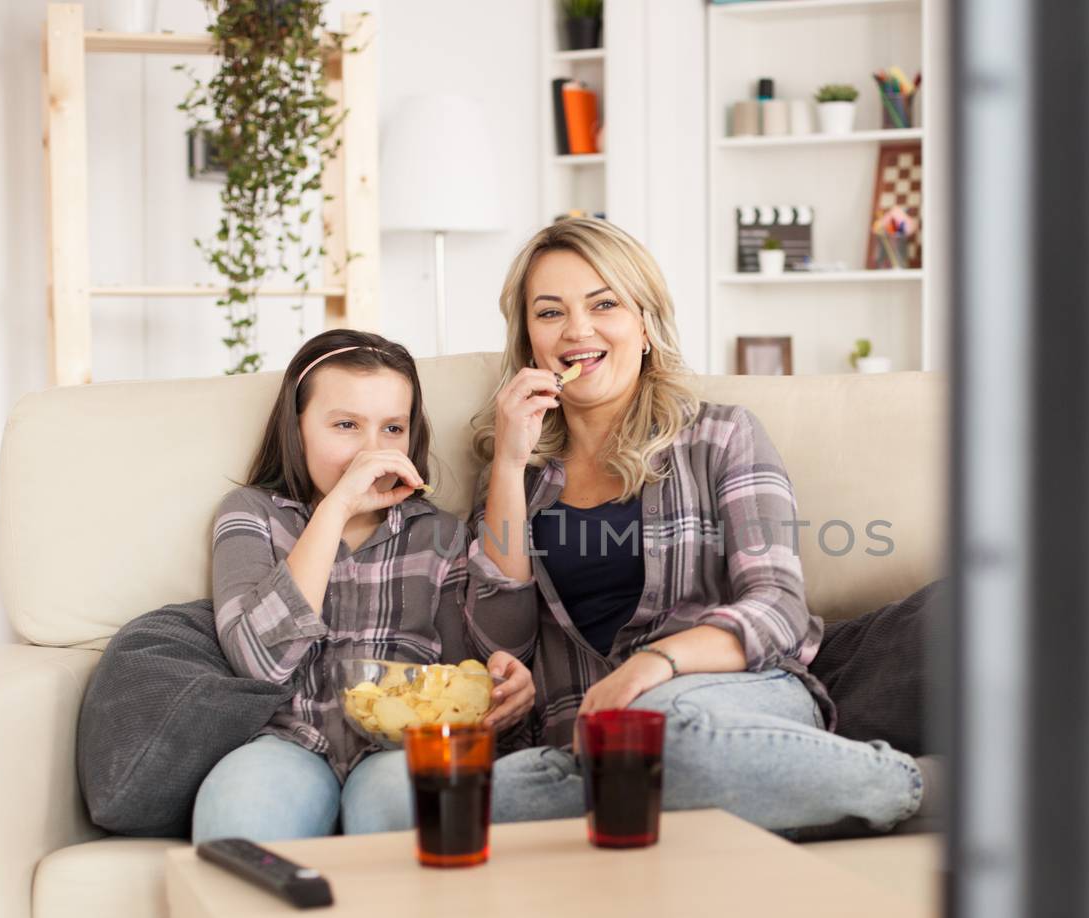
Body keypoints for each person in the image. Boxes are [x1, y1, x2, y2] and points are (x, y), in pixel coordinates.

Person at [466, 218, 924, 832]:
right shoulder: (512, 471)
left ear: (646, 325)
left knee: (667, 742)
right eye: (550, 313)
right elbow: (502, 644)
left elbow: (779, 606)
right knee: (417, 800)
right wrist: (510, 462)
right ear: (528, 339)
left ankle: (908, 786)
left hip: (724, 699)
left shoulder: (719, 436)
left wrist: (655, 663)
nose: (578, 330)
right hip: (584, 737)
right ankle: (689, 798)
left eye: (604, 304)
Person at [193, 328, 535, 845]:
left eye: (392, 428)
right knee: (237, 818)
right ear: (298, 427)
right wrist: (336, 508)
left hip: (400, 747)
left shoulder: (437, 534)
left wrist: (501, 680)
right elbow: (260, 665)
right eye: (346, 425)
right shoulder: (251, 515)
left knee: (412, 811)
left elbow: (470, 665)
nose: (370, 453)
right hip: (288, 741)